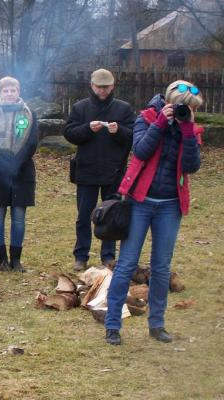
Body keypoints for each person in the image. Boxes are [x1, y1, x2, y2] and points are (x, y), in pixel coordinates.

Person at [104, 80, 202, 345]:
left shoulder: (190, 129)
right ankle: (112, 324)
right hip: (140, 202)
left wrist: (188, 130)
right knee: (126, 265)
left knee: (161, 268)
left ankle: (157, 325)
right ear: (169, 102)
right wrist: (161, 122)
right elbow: (140, 150)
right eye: (182, 107)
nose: (185, 112)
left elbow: (192, 166)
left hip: (170, 205)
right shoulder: (146, 118)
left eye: (190, 109)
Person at [64, 68, 135, 272]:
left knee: (112, 215)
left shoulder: (124, 109)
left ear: (112, 86)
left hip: (114, 171)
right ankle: (81, 256)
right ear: (92, 86)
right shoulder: (80, 108)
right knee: (84, 215)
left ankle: (108, 256)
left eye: (106, 87)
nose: (102, 91)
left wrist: (118, 131)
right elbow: (69, 133)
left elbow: (133, 135)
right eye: (99, 87)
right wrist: (87, 128)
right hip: (86, 171)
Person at [0, 76, 38, 272]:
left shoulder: (28, 114)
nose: (9, 93)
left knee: (19, 216)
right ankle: (1, 259)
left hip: (22, 171)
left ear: (18, 92)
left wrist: (17, 162)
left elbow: (31, 142)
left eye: (13, 90)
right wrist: (2, 162)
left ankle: (16, 260)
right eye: (6, 90)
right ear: (0, 92)